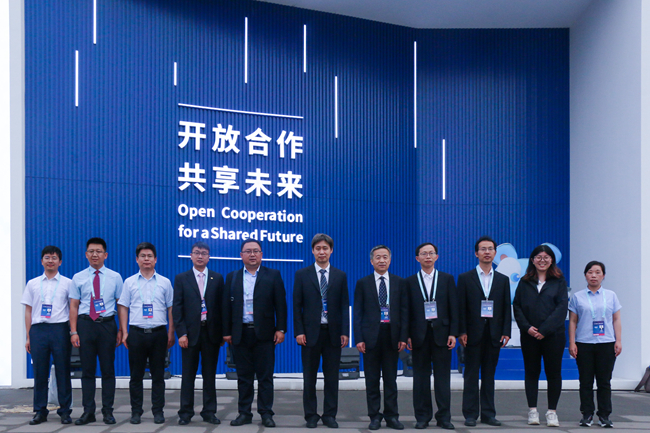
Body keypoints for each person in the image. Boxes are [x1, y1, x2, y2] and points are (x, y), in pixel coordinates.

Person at [224, 240, 288, 428]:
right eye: (248, 251)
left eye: (256, 251)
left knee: (265, 377)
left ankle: (266, 413)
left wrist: (281, 329)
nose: (252, 254)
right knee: (244, 377)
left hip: (265, 334)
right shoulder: (233, 277)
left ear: (261, 254)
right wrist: (226, 332)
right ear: (241, 255)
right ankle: (244, 413)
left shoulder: (273, 275)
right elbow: (226, 307)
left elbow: (281, 305)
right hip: (240, 333)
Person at [293, 234, 350, 429]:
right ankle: (311, 415)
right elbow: (297, 306)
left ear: (331, 250)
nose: (322, 252)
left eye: (325, 248)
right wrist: (299, 331)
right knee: (309, 377)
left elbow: (344, 306)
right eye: (318, 248)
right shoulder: (302, 274)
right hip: (310, 334)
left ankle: (329, 415)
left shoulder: (340, 276)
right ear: (312, 251)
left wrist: (345, 332)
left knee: (332, 378)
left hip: (333, 334)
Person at [118, 242, 175, 425]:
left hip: (159, 333)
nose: (146, 259)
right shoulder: (129, 282)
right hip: (136, 333)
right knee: (136, 376)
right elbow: (123, 306)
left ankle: (158, 411)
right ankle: (136, 412)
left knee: (158, 375)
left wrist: (171, 332)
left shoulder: (165, 282)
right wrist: (124, 332)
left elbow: (171, 308)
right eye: (143, 256)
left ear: (155, 259)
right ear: (137, 259)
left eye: (150, 256)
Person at [458, 236, 511, 427]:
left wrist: (506, 331)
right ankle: (470, 414)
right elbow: (460, 307)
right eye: (483, 249)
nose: (487, 252)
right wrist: (461, 331)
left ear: (495, 253)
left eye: (490, 249)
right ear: (476, 253)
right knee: (471, 375)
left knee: (489, 375)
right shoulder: (465, 278)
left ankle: (488, 414)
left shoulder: (503, 280)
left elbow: (506, 307)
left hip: (494, 333)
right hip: (472, 334)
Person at [512, 245, 568, 427]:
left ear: (552, 260)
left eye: (546, 257)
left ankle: (552, 412)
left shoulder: (559, 281)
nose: (542, 260)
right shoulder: (524, 281)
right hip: (529, 336)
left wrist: (544, 330)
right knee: (531, 373)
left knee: (554, 373)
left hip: (553, 336)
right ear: (532, 260)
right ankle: (532, 411)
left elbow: (561, 308)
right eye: (538, 257)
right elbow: (517, 306)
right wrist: (527, 328)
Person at [69, 237, 123, 425]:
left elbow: (121, 305)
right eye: (91, 251)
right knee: (87, 371)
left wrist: (121, 329)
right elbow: (74, 306)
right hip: (86, 325)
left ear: (105, 255)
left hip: (107, 325)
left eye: (98, 251)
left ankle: (108, 411)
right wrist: (73, 331)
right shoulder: (78, 277)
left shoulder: (115, 277)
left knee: (108, 370)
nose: (95, 254)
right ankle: (88, 412)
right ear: (86, 254)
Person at [353, 245, 408, 431]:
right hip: (370, 339)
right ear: (371, 261)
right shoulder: (363, 283)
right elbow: (358, 313)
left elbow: (404, 312)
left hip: (392, 337)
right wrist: (359, 338)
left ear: (390, 260)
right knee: (372, 380)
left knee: (391, 380)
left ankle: (392, 416)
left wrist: (403, 336)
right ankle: (374, 416)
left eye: (385, 257)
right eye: (378, 257)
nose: (382, 260)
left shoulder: (399, 282)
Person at [405, 243, 458, 430]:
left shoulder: (447, 279)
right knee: (420, 379)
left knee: (443, 378)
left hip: (442, 335)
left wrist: (453, 333)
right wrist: (407, 335)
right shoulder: (410, 281)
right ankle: (422, 417)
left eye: (431, 253)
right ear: (417, 258)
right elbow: (406, 311)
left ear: (437, 257)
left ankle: (444, 417)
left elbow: (454, 308)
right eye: (423, 254)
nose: (428, 256)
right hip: (418, 335)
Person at [172, 241, 224, 425]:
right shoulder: (182, 278)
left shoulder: (217, 278)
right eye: (196, 252)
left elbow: (222, 308)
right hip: (190, 334)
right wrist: (181, 333)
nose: (200, 256)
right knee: (188, 375)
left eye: (204, 253)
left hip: (211, 334)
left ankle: (209, 412)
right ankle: (185, 413)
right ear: (191, 256)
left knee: (210, 375)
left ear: (209, 257)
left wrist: (222, 334)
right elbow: (177, 308)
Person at [22, 246, 74, 425]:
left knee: (63, 371)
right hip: (38, 330)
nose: (50, 261)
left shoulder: (68, 283)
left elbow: (72, 309)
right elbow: (28, 311)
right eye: (47, 257)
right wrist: (28, 336)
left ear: (60, 262)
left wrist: (72, 331)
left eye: (54, 258)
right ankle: (40, 411)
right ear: (41, 261)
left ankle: (65, 411)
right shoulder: (32, 284)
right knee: (40, 372)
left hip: (60, 329)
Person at [569, 261, 622, 428]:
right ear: (585, 275)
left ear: (603, 276)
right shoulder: (577, 296)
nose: (594, 275)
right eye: (590, 272)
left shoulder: (611, 295)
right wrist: (572, 342)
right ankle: (587, 414)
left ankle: (604, 415)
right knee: (585, 381)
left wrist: (618, 340)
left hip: (606, 343)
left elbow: (616, 319)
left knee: (604, 381)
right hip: (584, 343)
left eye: (598, 272)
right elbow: (572, 321)